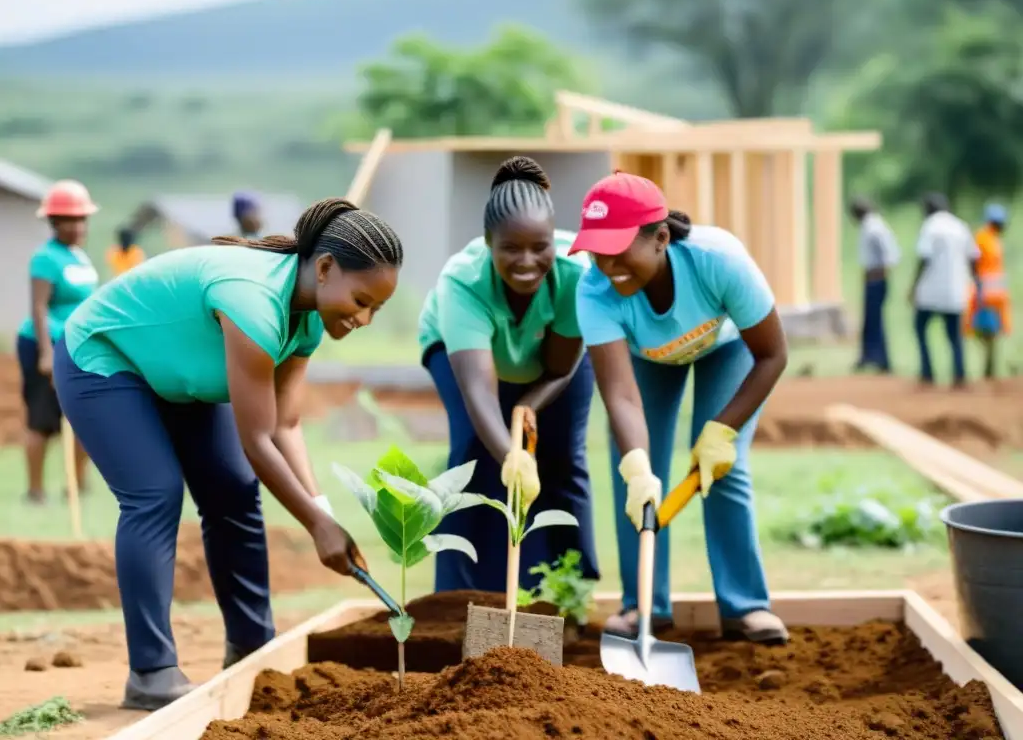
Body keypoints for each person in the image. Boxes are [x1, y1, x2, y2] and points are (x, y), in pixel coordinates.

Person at [52, 197, 403, 710]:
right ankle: (151, 671)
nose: (366, 318)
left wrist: (322, 513)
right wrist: (316, 527)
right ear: (325, 268)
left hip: (174, 375)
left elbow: (286, 423)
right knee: (155, 494)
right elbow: (257, 439)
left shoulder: (307, 316)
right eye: (362, 300)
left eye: (378, 308)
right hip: (104, 358)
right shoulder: (254, 300)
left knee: (234, 490)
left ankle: (251, 646)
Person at [569, 172, 789, 644]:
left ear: (661, 237)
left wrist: (722, 431)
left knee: (722, 469)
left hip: (726, 350)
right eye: (596, 251)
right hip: (648, 360)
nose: (607, 264)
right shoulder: (593, 292)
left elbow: (773, 355)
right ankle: (644, 606)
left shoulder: (718, 261)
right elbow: (621, 396)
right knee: (635, 474)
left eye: (618, 248)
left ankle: (745, 606)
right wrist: (637, 466)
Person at [418, 156, 599, 594]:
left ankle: (565, 591)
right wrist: (512, 455)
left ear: (553, 239)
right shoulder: (463, 280)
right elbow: (479, 391)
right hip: (463, 357)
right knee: (475, 454)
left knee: (562, 458)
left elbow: (558, 368)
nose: (526, 261)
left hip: (554, 367)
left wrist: (527, 404)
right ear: (487, 242)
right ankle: (460, 597)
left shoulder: (577, 272)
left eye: (539, 247)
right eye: (510, 248)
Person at [17, 180, 99, 504]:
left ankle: (77, 487)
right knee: (41, 419)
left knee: (84, 418)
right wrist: (46, 353)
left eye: (83, 219)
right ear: (54, 222)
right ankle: (35, 492)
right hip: (46, 344)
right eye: (71, 219)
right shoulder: (45, 258)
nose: (79, 226)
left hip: (78, 347)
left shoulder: (79, 257)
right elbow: (38, 307)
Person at [909, 192, 980, 388]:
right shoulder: (960, 226)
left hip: (931, 290)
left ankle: (927, 372)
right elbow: (973, 257)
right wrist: (976, 283)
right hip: (955, 289)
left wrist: (913, 286)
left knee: (920, 328)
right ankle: (959, 374)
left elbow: (924, 258)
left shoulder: (930, 227)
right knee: (955, 336)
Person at [850, 196, 899, 373]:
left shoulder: (875, 227)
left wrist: (877, 275)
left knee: (876, 320)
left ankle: (882, 359)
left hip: (877, 279)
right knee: (870, 319)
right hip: (872, 279)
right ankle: (869, 356)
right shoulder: (869, 226)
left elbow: (889, 256)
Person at [965, 203, 1011, 380]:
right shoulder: (983, 238)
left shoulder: (993, 238)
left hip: (994, 295)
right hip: (985, 293)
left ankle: (990, 369)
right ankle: (989, 370)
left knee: (990, 332)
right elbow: (974, 263)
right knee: (983, 331)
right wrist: (978, 286)